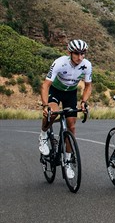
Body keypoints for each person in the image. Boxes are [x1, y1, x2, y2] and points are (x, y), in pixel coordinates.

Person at [38, 39, 93, 179]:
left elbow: (88, 86)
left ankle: (67, 160)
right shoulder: (60, 62)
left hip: (71, 94)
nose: (80, 57)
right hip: (55, 91)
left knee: (71, 127)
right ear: (69, 52)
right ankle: (43, 135)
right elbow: (45, 85)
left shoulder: (87, 65)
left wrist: (84, 102)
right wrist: (45, 105)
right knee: (53, 113)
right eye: (76, 54)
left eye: (83, 54)